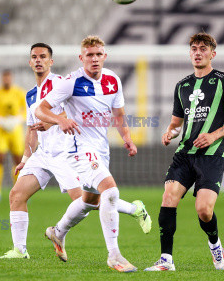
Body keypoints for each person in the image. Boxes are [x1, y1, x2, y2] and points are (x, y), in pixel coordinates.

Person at [0, 43, 151, 260]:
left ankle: (134, 209)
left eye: (43, 56)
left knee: (87, 201)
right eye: (34, 57)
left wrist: (55, 122)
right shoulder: (31, 95)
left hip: (66, 152)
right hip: (43, 154)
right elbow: (32, 129)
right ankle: (20, 250)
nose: (38, 60)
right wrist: (25, 158)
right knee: (16, 194)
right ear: (29, 62)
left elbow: (70, 114)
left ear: (51, 62)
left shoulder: (62, 83)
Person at [35, 36, 148, 272]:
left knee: (89, 202)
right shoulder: (70, 82)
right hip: (78, 149)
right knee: (111, 191)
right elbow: (41, 109)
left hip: (100, 149)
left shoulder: (113, 80)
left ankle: (57, 232)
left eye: (98, 54)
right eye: (89, 55)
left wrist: (127, 138)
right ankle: (114, 255)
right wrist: (60, 120)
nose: (94, 59)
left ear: (104, 56)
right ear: (81, 58)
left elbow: (118, 114)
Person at [145, 33, 224, 272]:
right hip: (184, 153)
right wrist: (170, 132)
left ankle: (215, 244)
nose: (198, 52)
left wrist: (213, 135)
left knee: (203, 209)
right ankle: (166, 260)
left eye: (203, 48)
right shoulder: (183, 86)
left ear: (212, 53)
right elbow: (177, 123)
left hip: (212, 155)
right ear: (189, 53)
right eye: (194, 48)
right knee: (168, 197)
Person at [0, 70, 26, 203]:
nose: (6, 80)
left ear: (11, 79)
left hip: (15, 130)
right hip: (1, 130)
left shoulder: (19, 93)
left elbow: (26, 109)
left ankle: (19, 190)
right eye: (4, 78)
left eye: (8, 78)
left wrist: (19, 119)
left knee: (18, 160)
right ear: (2, 79)